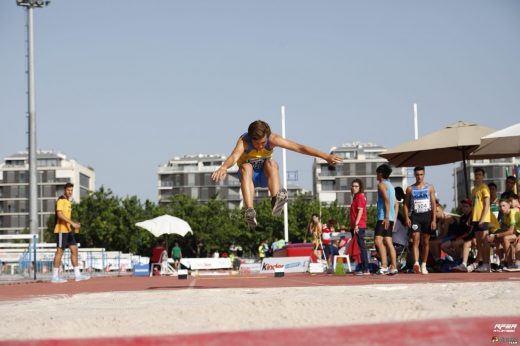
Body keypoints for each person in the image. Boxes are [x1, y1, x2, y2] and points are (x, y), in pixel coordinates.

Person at [211, 120, 342, 228]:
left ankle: (275, 200)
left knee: (272, 163)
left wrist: (325, 156)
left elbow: (299, 147)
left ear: (267, 137)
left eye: (263, 143)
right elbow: (234, 156)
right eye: (257, 144)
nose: (260, 147)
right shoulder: (244, 141)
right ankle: (250, 211)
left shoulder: (273, 139)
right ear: (251, 139)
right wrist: (224, 167)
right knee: (246, 166)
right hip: (249, 178)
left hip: (265, 176)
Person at [51, 183, 90, 283]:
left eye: (71, 190)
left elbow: (66, 217)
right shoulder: (61, 200)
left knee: (74, 249)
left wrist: (74, 223)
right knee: (60, 252)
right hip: (61, 230)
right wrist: (72, 223)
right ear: (64, 190)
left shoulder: (69, 202)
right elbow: (59, 215)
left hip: (68, 230)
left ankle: (78, 275)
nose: (70, 192)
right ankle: (54, 277)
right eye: (68, 190)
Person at [403, 166, 437, 275]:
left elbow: (434, 204)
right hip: (415, 216)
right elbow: (405, 204)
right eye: (417, 175)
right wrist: (407, 218)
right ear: (414, 175)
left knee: (426, 241)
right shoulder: (410, 189)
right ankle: (416, 263)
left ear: (424, 174)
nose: (419, 177)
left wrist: (434, 220)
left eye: (421, 175)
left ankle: (424, 264)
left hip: (427, 216)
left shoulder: (430, 187)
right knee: (415, 239)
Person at [374, 164, 398, 275]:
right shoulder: (391, 186)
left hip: (383, 217)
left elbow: (387, 201)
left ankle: (384, 266)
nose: (376, 175)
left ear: (380, 174)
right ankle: (394, 267)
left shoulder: (381, 185)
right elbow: (396, 203)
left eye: (376, 173)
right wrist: (393, 219)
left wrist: (387, 217)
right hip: (390, 217)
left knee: (378, 241)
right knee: (388, 241)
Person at [471, 168, 492, 272]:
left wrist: (482, 219)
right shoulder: (474, 189)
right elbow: (474, 205)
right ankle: (483, 262)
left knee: (485, 241)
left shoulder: (485, 188)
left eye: (479, 174)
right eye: (476, 174)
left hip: (483, 218)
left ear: (483, 176)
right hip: (475, 218)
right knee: (478, 243)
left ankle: (487, 263)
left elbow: (487, 204)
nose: (477, 176)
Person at [349, 179, 370, 275]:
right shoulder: (355, 197)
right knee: (357, 247)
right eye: (353, 186)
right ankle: (361, 267)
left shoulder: (360, 197)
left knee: (361, 247)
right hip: (354, 225)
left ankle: (365, 268)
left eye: (356, 186)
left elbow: (360, 211)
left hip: (359, 225)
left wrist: (356, 224)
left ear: (360, 187)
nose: (354, 188)